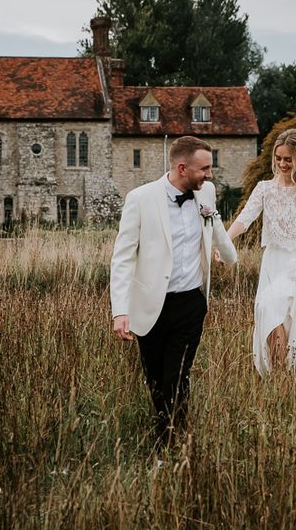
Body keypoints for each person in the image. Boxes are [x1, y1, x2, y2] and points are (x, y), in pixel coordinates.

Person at [110, 136, 237, 446]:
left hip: (191, 302)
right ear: (183, 168)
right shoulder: (140, 199)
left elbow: (213, 227)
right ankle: (166, 428)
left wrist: (226, 252)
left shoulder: (205, 192)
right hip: (150, 304)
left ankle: (170, 443)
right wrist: (120, 310)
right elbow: (123, 257)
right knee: (155, 377)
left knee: (177, 376)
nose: (210, 174)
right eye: (204, 168)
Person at [227, 128, 296, 383]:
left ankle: (291, 380)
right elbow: (245, 219)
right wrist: (225, 241)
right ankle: (280, 377)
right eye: (278, 158)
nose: (282, 164)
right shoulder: (265, 189)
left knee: (293, 323)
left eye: (288, 159)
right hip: (274, 263)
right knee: (270, 311)